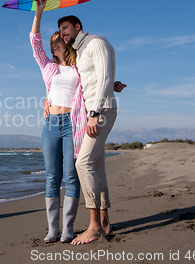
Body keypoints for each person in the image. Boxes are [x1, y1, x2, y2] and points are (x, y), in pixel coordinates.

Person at [55, 14, 121, 245]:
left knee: (83, 163)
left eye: (65, 28)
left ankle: (93, 226)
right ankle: (104, 221)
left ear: (77, 27)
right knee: (96, 164)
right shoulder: (81, 51)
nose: (63, 33)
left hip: (99, 112)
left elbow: (102, 78)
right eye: (60, 30)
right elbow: (96, 80)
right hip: (93, 111)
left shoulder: (96, 42)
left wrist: (94, 114)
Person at [30, 0, 86, 243]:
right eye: (51, 43)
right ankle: (53, 229)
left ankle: (68, 228)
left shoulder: (77, 68)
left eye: (58, 41)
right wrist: (39, 13)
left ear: (66, 44)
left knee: (71, 176)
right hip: (52, 124)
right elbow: (34, 42)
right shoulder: (47, 68)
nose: (54, 45)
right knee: (52, 176)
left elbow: (93, 82)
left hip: (72, 126)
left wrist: (112, 85)